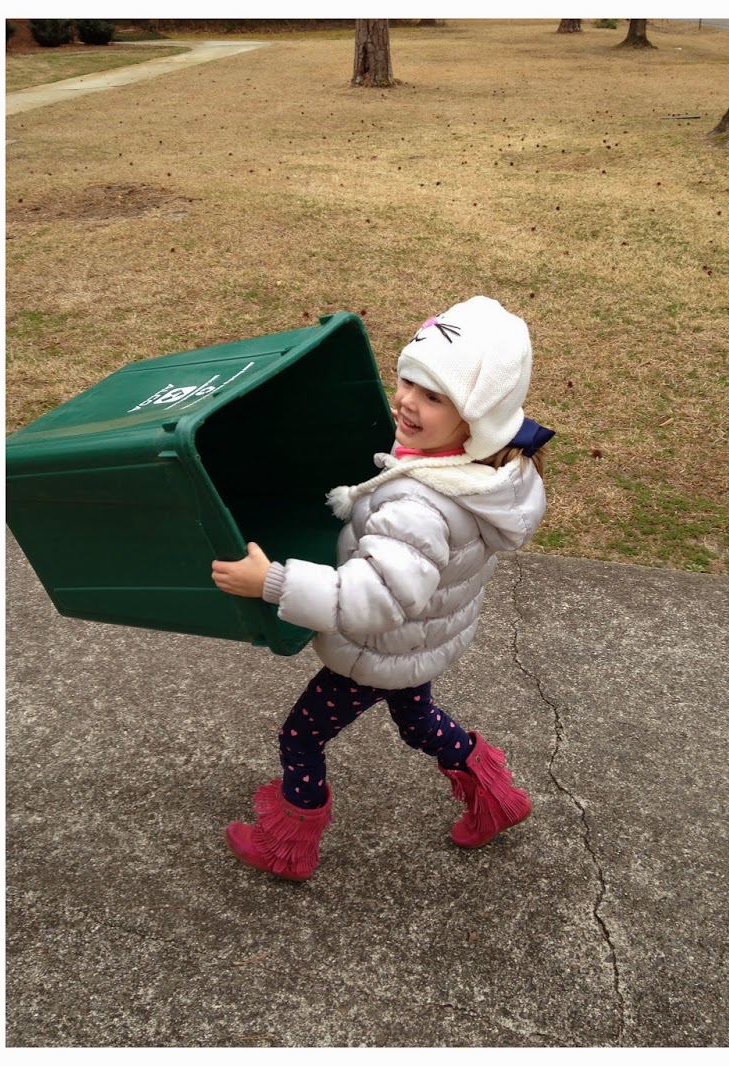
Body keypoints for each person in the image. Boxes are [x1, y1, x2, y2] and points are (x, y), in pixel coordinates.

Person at [211, 295, 550, 879]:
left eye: (433, 396)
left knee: (300, 737)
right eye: (406, 380)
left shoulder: (420, 505)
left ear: (477, 419)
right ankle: (497, 799)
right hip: (419, 641)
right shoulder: (478, 470)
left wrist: (270, 582)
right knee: (417, 720)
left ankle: (289, 846)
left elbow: (372, 601)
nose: (406, 401)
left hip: (383, 647)